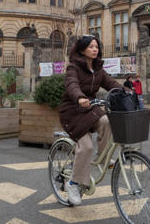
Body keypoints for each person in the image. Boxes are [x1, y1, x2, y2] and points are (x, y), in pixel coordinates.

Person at [58, 35, 123, 206]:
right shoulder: (73, 67)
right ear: (81, 49)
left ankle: (101, 157)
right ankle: (72, 184)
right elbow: (72, 84)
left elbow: (111, 83)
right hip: (72, 111)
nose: (95, 49)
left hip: (89, 109)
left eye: (97, 47)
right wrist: (79, 97)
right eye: (91, 47)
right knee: (86, 146)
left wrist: (127, 92)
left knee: (107, 121)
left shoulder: (98, 69)